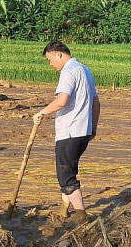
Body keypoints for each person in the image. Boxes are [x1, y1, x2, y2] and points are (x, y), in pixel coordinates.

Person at [33, 41, 100, 225]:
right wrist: (93, 127)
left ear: (59, 54)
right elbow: (96, 102)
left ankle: (81, 215)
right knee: (67, 170)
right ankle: (64, 210)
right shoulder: (85, 70)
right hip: (83, 132)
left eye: (50, 59)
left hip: (69, 132)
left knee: (66, 177)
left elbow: (61, 100)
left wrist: (42, 112)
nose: (51, 64)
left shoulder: (68, 71)